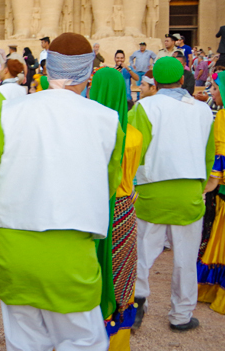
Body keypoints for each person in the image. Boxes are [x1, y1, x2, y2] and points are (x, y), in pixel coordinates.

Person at [0, 32, 123, 351]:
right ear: (89, 72)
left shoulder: (11, 111)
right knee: (82, 340)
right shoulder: (107, 120)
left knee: (24, 342)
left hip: (14, 250)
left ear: (46, 70)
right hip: (71, 253)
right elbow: (110, 184)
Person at [129, 56, 214, 332]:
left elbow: (134, 151)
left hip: (152, 190)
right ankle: (181, 315)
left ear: (155, 81)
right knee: (186, 259)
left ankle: (137, 300)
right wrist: (199, 187)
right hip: (188, 190)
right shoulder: (202, 110)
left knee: (142, 252)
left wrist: (133, 185)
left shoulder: (144, 106)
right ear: (182, 79)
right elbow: (208, 155)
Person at [88, 67, 144, 350]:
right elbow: (131, 176)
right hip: (122, 211)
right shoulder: (133, 135)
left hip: (88, 209)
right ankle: (116, 342)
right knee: (120, 273)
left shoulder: (84, 132)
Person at [197, 70, 225, 315]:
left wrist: (206, 188)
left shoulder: (223, 117)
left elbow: (223, 158)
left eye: (215, 88)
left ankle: (219, 292)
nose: (212, 92)